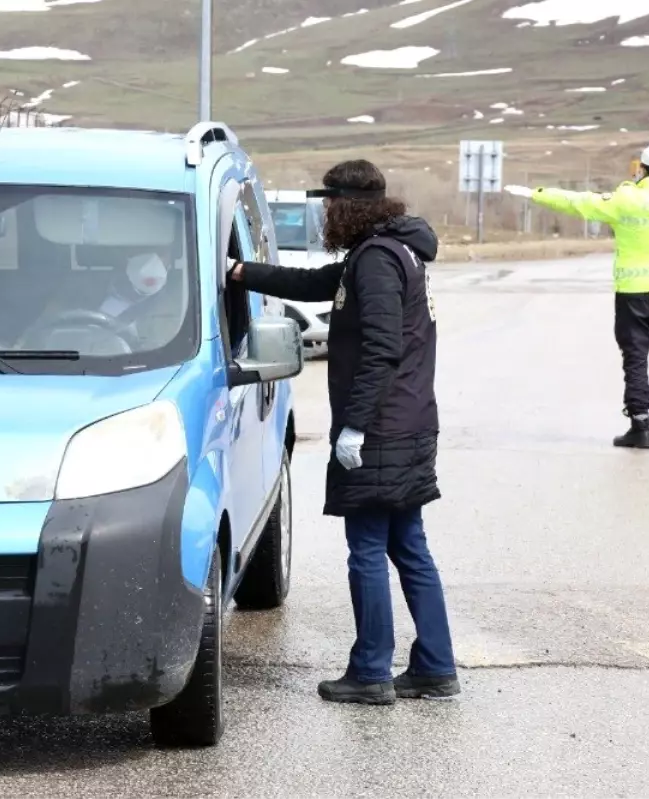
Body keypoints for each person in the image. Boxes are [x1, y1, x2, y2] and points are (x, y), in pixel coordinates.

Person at [227, 159, 458, 705]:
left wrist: (354, 426)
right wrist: (242, 273)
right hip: (409, 422)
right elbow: (311, 283)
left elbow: (383, 348)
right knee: (409, 546)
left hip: (382, 429)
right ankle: (434, 666)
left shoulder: (377, 260)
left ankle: (372, 672)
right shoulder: (387, 251)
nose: (325, 213)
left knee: (368, 548)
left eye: (330, 203)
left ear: (350, 206)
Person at [504, 114, 649, 450]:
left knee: (635, 360)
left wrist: (536, 194)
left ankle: (640, 427)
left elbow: (576, 202)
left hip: (631, 296)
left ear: (643, 169)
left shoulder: (624, 200)